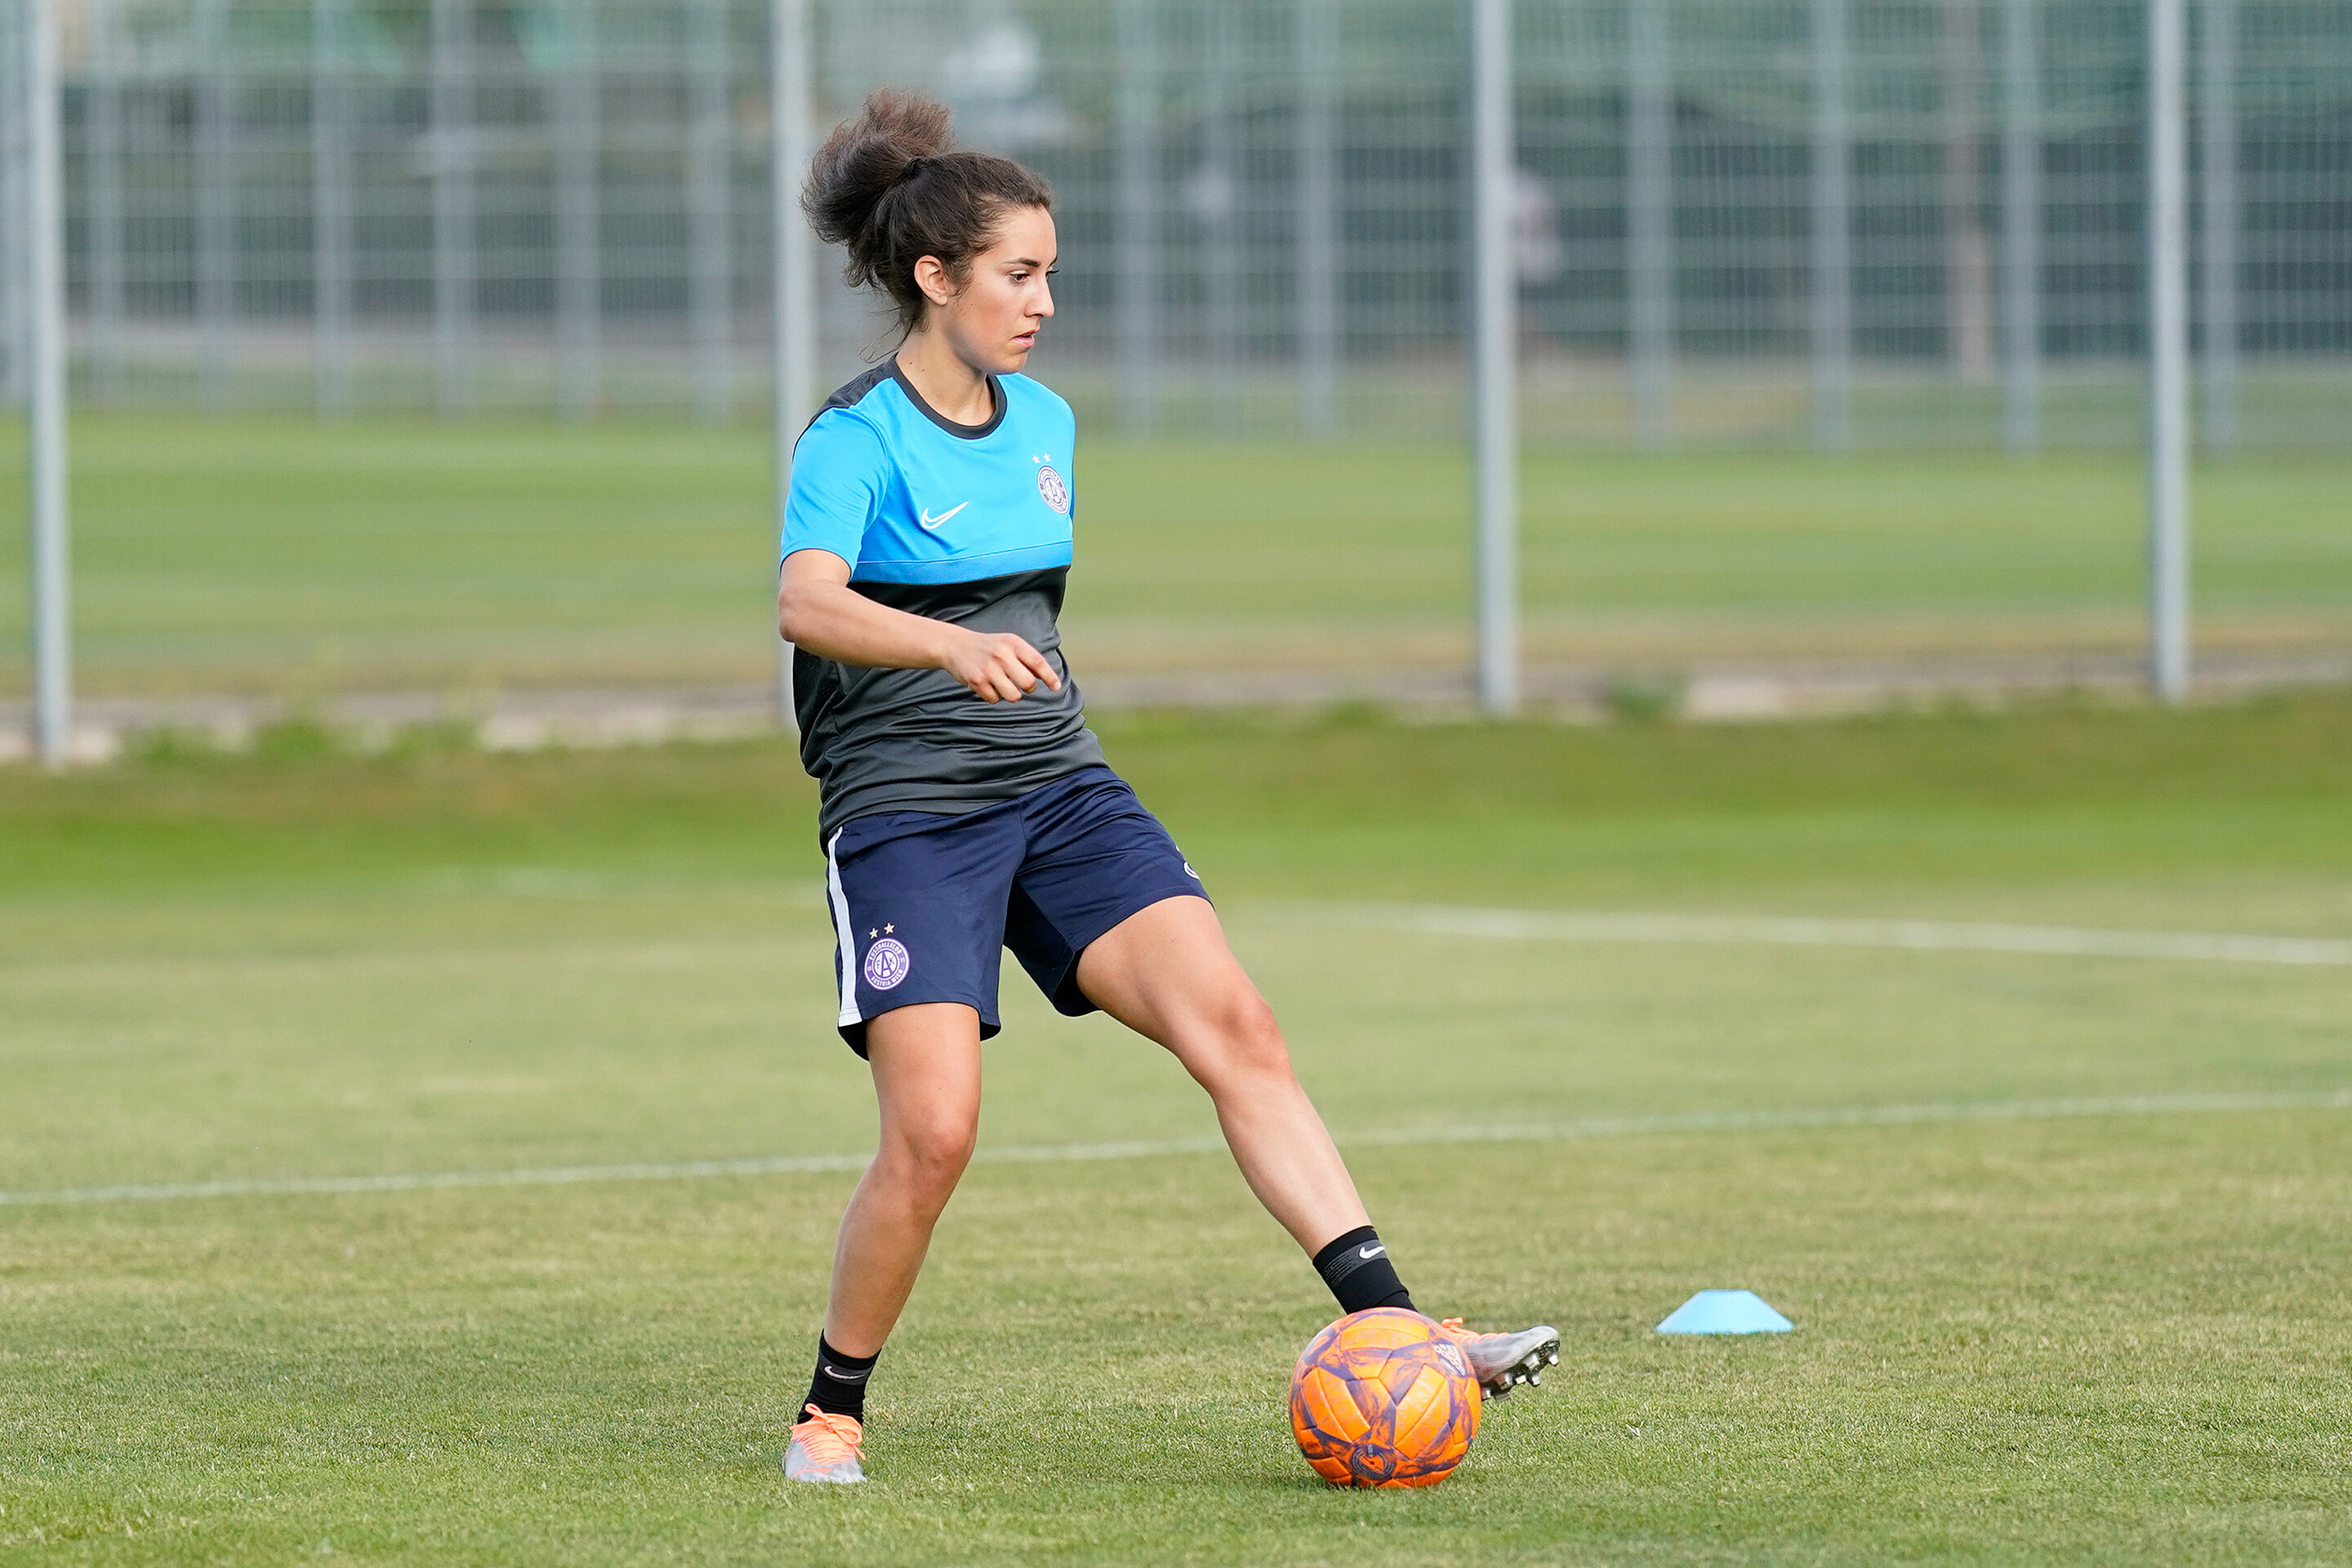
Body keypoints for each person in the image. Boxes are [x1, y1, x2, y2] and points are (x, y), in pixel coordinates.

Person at [774, 90, 1558, 1486]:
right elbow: (806, 606)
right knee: (935, 1130)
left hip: (1061, 790)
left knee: (1240, 1027)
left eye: (1052, 273)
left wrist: (1005, 666)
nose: (1045, 303)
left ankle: (1400, 1328)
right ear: (934, 278)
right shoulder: (855, 439)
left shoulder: (1049, 424)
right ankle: (831, 1408)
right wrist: (953, 650)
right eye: (1019, 275)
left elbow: (1029, 618)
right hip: (908, 815)